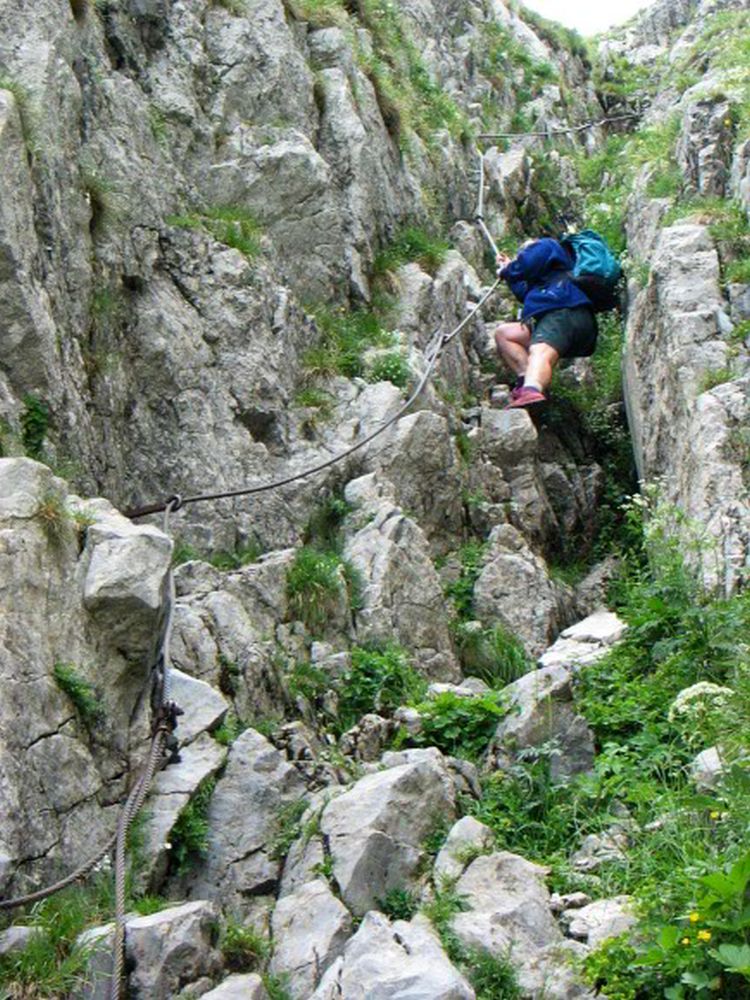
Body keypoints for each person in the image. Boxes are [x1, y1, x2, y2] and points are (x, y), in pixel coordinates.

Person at [493, 237, 598, 408]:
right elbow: (523, 291)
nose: (523, 254)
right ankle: (526, 379)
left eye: (524, 251)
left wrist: (509, 268)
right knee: (504, 334)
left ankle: (532, 388)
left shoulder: (546, 245)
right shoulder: (543, 281)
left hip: (563, 311)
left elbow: (528, 261)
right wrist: (509, 271)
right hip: (557, 317)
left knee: (539, 349)